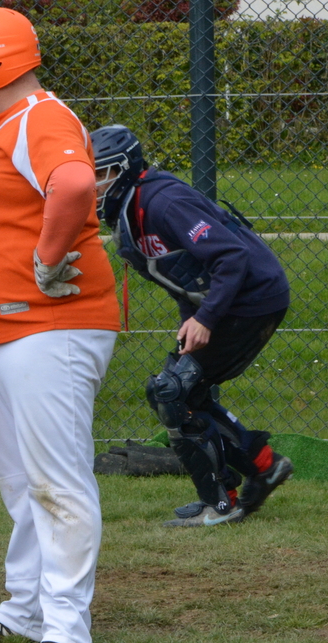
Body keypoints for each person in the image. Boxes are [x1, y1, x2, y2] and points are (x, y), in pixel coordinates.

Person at [0, 8, 121, 643]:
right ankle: (26, 607)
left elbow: (73, 183)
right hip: (13, 331)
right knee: (23, 481)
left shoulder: (40, 116)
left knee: (55, 480)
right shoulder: (8, 124)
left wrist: (46, 258)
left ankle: (66, 628)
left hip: (49, 326)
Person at [90, 124, 295, 527]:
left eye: (101, 173)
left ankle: (221, 504)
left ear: (124, 169)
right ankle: (264, 466)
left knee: (173, 391)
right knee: (179, 393)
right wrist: (191, 319)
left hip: (253, 299)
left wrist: (206, 318)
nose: (92, 184)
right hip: (233, 301)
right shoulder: (131, 210)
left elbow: (230, 257)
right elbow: (182, 274)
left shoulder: (163, 202)